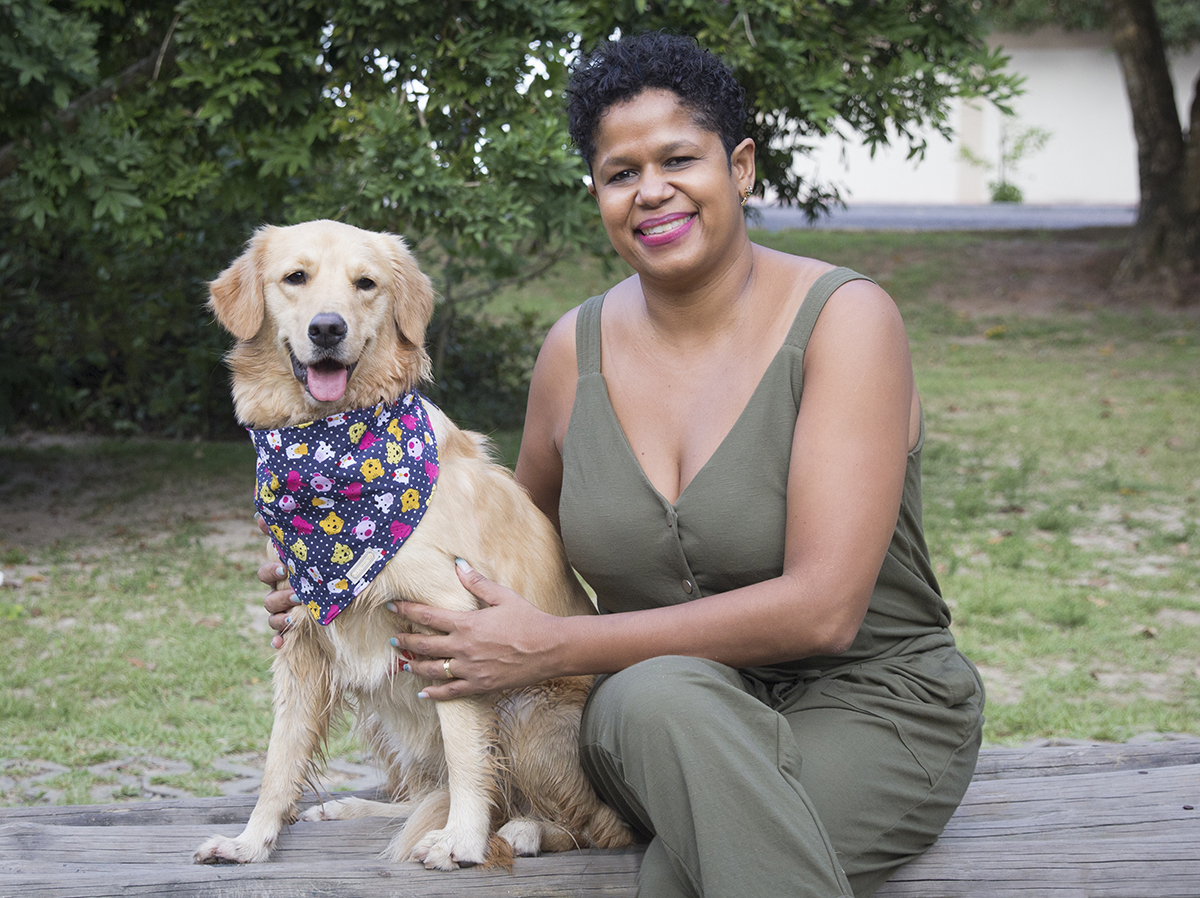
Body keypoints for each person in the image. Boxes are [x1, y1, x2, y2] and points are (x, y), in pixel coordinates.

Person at [260, 31, 984, 898]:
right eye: (620, 173)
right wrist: (339, 561)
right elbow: (495, 544)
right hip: (651, 720)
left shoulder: (846, 323)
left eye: (679, 158)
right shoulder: (574, 350)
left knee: (684, 875)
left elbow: (825, 610)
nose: (652, 192)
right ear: (598, 193)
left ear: (742, 166)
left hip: (869, 704)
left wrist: (560, 645)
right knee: (652, 698)